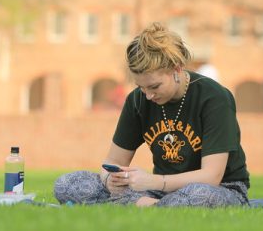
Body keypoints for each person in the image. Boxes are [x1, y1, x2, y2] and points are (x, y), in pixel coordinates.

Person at [53, 22, 250, 207]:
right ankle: (151, 206)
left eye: (154, 86)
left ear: (177, 68)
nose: (148, 95)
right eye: (141, 87)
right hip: (160, 191)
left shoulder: (214, 97)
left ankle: (140, 205)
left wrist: (153, 181)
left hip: (218, 189)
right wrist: (110, 180)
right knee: (67, 184)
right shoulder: (138, 100)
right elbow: (112, 162)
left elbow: (212, 176)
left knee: (197, 195)